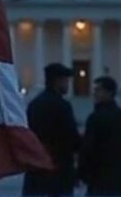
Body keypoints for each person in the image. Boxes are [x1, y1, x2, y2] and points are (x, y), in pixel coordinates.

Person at [23, 63, 82, 196]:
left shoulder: (34, 105)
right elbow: (71, 139)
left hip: (35, 172)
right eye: (66, 81)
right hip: (59, 172)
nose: (68, 85)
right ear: (57, 81)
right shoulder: (62, 106)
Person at [78, 76, 121, 196]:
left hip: (99, 179)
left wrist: (82, 174)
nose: (94, 93)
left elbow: (88, 149)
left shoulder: (95, 118)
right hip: (120, 179)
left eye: (98, 90)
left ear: (109, 92)